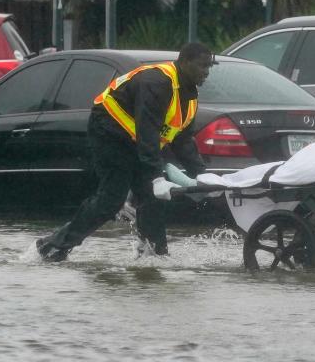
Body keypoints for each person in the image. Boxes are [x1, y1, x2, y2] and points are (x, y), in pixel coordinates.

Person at [35, 42, 216, 262]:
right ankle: (53, 247)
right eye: (202, 66)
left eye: (209, 67)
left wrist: (201, 174)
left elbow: (182, 139)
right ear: (185, 62)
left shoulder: (189, 95)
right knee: (112, 197)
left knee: (152, 198)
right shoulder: (157, 82)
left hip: (137, 140)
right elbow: (147, 131)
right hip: (109, 132)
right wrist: (155, 175)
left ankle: (153, 256)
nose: (206, 72)